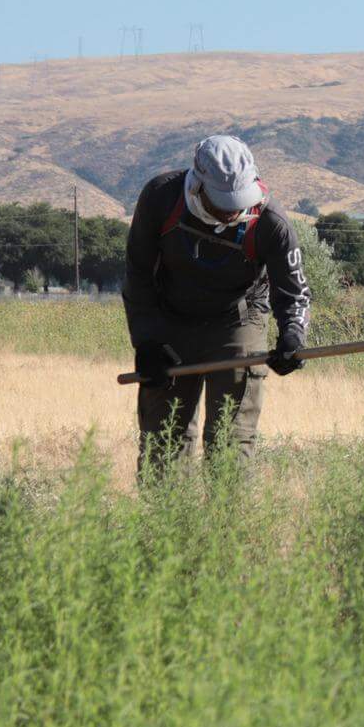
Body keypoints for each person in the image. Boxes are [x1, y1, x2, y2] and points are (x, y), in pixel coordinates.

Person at [123, 134, 311, 477]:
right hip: (170, 324)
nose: (232, 209)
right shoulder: (161, 198)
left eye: (238, 201)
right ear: (196, 185)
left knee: (230, 443)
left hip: (238, 321)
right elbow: (137, 276)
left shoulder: (271, 222)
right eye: (222, 202)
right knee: (163, 444)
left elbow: (295, 293)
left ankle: (228, 528)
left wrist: (293, 338)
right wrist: (146, 342)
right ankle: (165, 527)